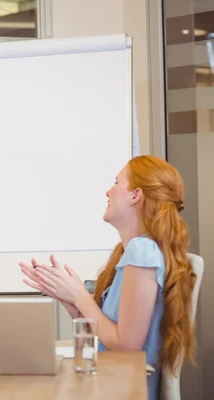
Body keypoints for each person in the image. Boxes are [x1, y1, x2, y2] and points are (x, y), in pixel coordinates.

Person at [20, 155, 196, 400]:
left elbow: (126, 345)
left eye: (116, 183)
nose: (108, 191)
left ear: (136, 195)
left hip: (121, 390)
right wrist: (71, 300)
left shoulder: (141, 252)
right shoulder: (131, 252)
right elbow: (106, 335)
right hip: (110, 384)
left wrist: (81, 297)